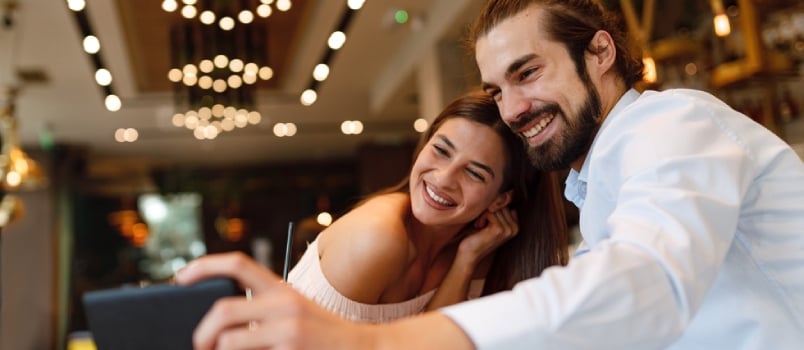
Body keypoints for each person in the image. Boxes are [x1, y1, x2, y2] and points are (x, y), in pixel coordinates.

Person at [175, 0, 804, 348]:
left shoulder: (672, 122)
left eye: (528, 73)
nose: (513, 108)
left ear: (600, 52)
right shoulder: (602, 181)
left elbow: (646, 285)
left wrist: (370, 346)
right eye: (496, 88)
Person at [284, 90, 568, 322]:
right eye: (441, 150)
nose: (443, 179)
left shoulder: (485, 247)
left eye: (474, 173)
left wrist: (466, 260)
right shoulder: (375, 239)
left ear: (500, 199)